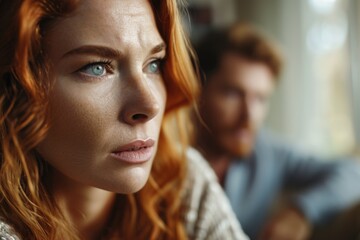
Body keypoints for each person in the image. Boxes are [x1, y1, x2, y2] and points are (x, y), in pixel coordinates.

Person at [0, 0, 249, 239]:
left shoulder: (181, 182)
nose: (149, 105)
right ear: (15, 88)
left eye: (153, 64)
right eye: (96, 67)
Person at [193, 23, 360, 240]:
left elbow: (352, 173)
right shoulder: (161, 159)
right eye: (233, 94)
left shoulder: (268, 153)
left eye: (261, 98)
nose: (249, 116)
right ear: (195, 89)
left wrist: (301, 211)